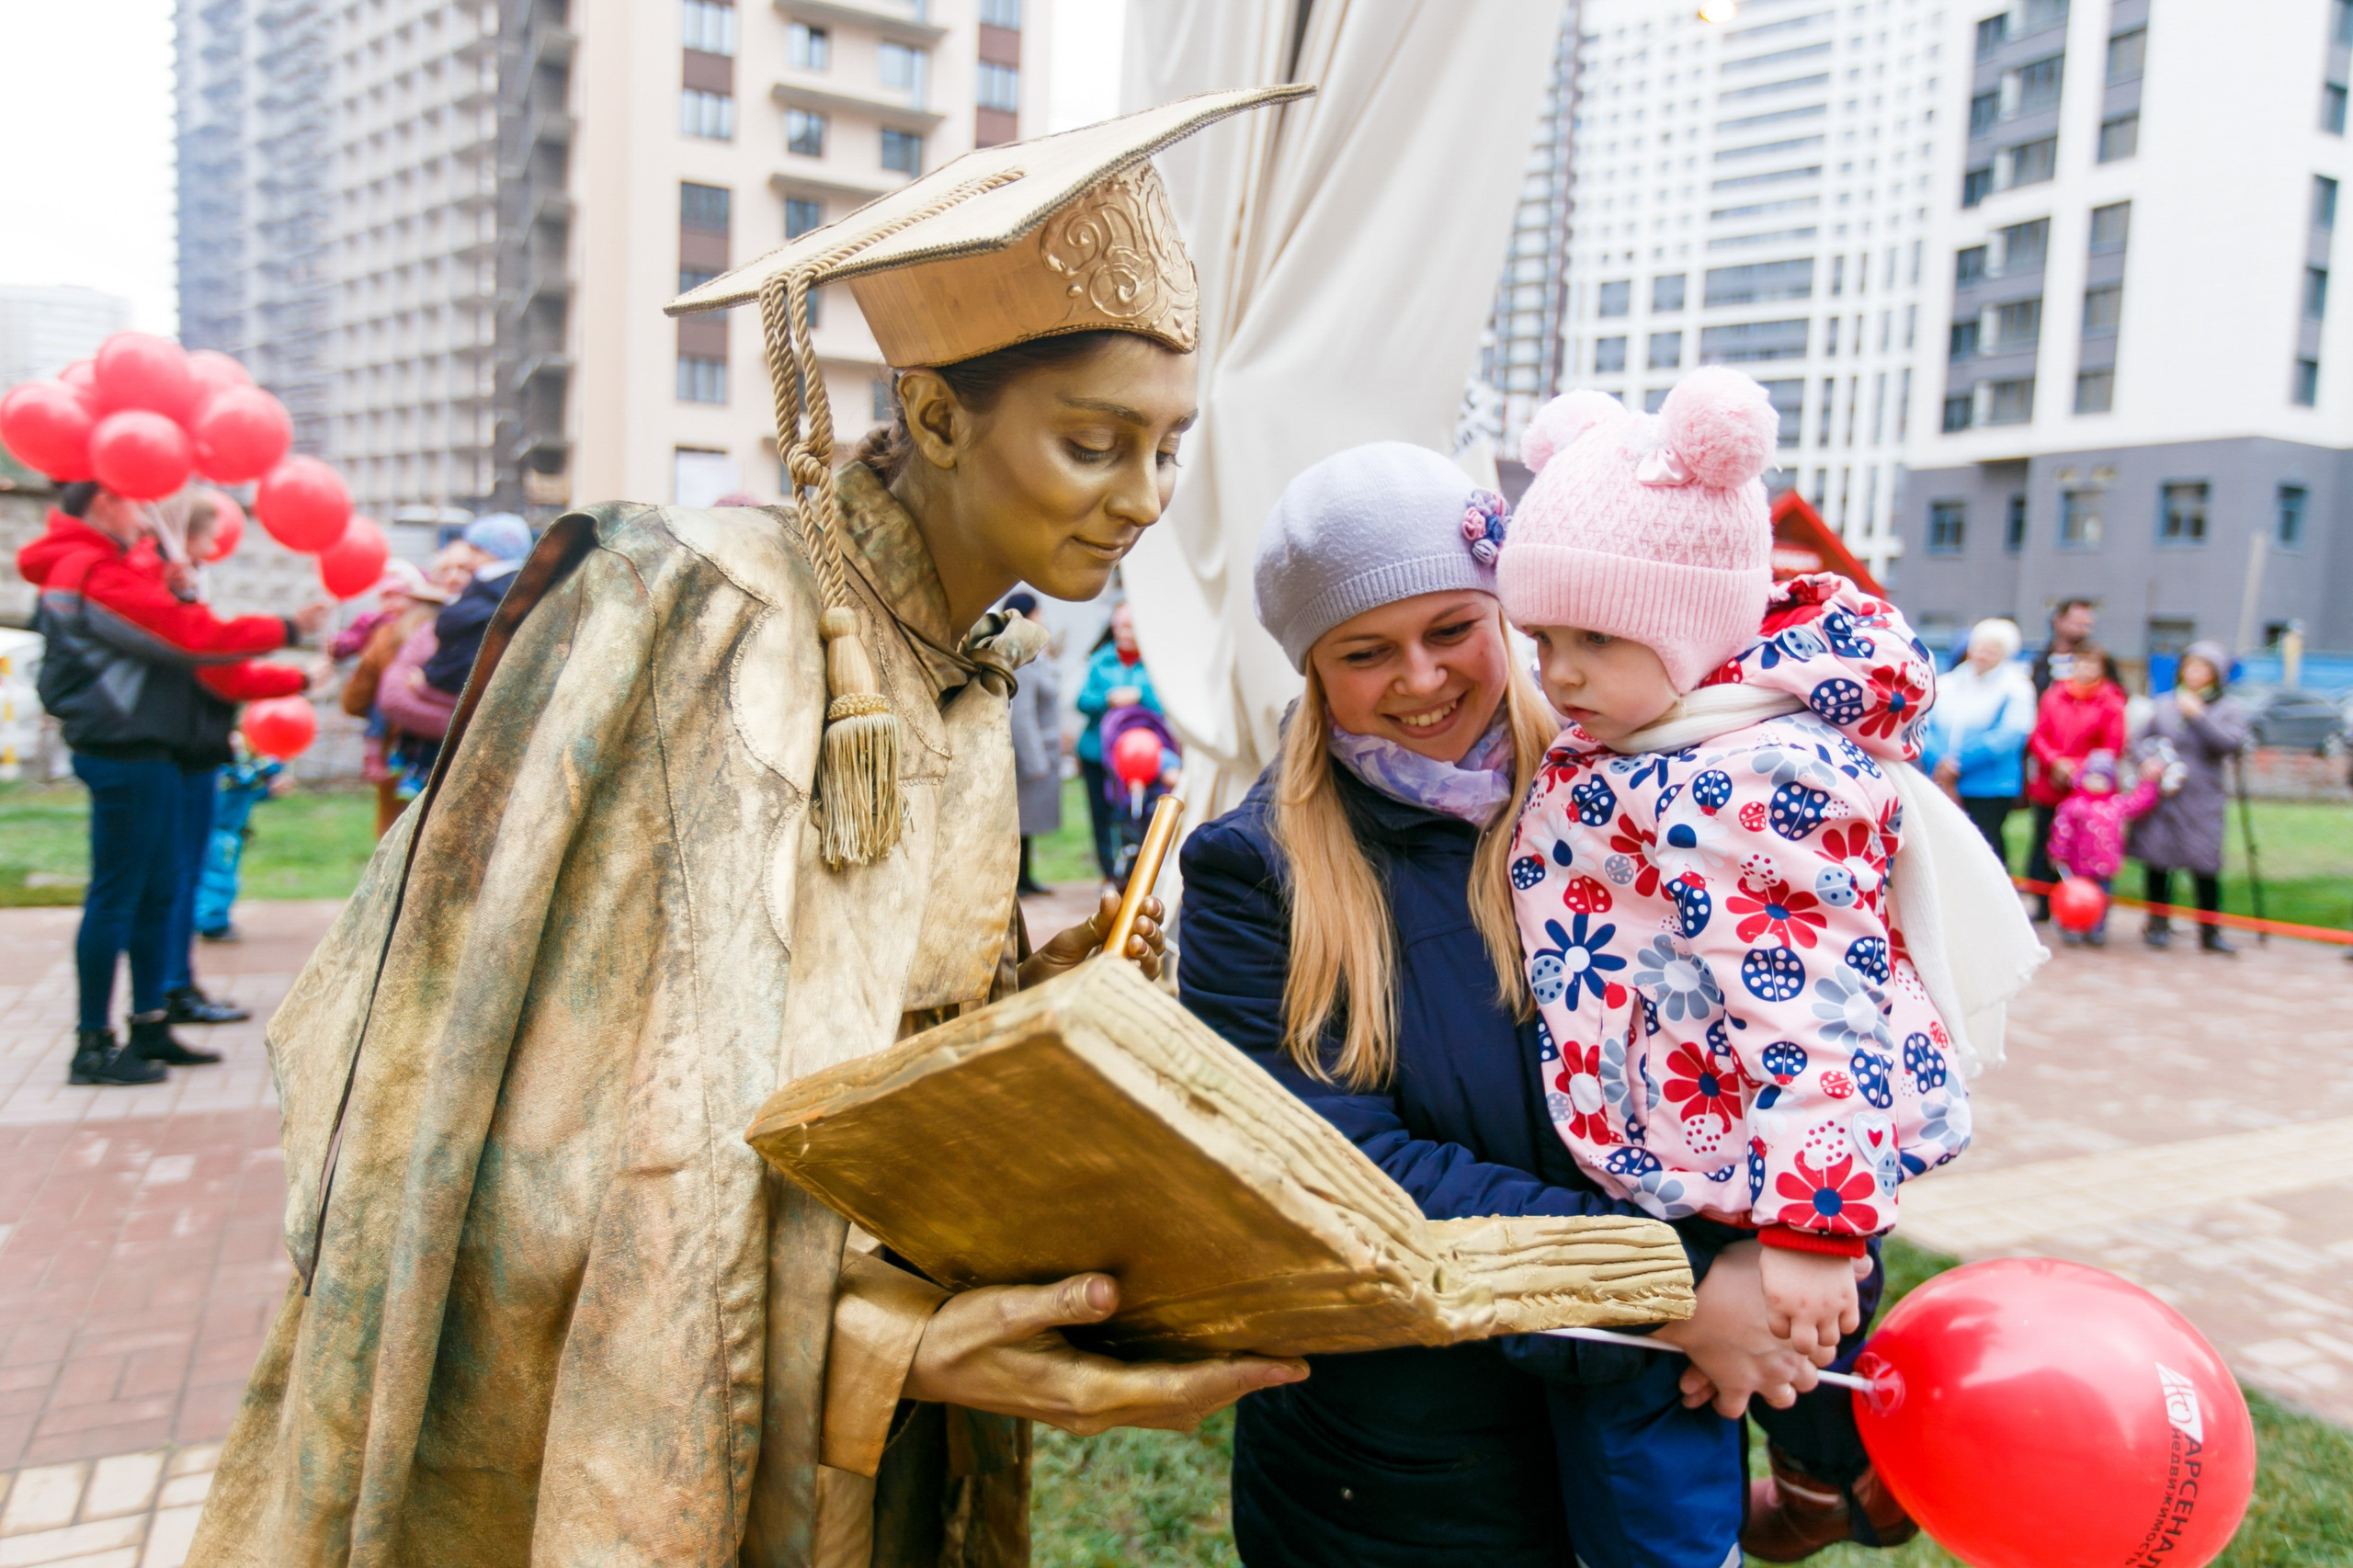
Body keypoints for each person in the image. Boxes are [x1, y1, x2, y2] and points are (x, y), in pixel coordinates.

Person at [188, 89, 1313, 1567]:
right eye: (1098, 442)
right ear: (931, 413)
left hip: (887, 1411)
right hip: (680, 1404)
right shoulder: (695, 618)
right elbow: (549, 1134)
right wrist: (879, 1338)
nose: (1145, 500)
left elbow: (867, 1045)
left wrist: (1039, 1017)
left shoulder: (969, 671)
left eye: (1168, 448)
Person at [1180, 439, 1865, 1568]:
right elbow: (1330, 1166)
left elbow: (1801, 1020)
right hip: (1403, 1477)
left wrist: (1805, 1250)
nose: (1419, 677)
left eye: (1453, 628)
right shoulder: (1255, 872)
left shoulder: (1654, 798)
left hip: (1651, 1430)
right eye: (1363, 650)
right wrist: (1676, 1288)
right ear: (1309, 666)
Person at [1495, 371, 1987, 1560]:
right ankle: (1825, 1488)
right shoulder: (1651, 728)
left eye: (1596, 639)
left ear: (1693, 625)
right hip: (1698, 1120)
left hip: (1758, 1139)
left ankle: (1818, 1492)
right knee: (1754, 1365)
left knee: (1771, 1342)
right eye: (1545, 639)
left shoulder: (1742, 779)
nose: (1557, 674)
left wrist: (1817, 1224)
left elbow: (1814, 1009)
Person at [17, 483, 325, 1086]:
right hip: (125, 748)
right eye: (134, 502)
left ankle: (149, 1023)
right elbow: (184, 638)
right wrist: (287, 627)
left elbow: (166, 624)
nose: (143, 517)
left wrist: (174, 591)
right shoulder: (90, 568)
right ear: (105, 501)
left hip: (146, 748)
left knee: (157, 889)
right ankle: (94, 1044)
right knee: (118, 894)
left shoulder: (104, 565)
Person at [2130, 641, 2250, 953]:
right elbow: (2138, 740)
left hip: (2202, 799)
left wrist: (2199, 716)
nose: (2195, 674)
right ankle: (2157, 923)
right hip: (2165, 797)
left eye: (2204, 668)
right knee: (2158, 860)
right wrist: (2146, 761)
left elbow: (2230, 745)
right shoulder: (2165, 704)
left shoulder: (2228, 709)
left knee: (2204, 864)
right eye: (2190, 666)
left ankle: (2210, 932)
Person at [335, 562, 451, 835]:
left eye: (396, 594)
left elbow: (354, 701)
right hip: (450, 745)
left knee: (394, 834)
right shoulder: (461, 632)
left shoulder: (386, 636)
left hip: (396, 751)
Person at [1917, 618, 2036, 860]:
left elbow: (2009, 735)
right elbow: (1923, 724)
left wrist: (1958, 763)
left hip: (1989, 785)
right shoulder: (1947, 683)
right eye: (1980, 645)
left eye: (1993, 648)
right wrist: (1938, 759)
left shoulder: (2016, 687)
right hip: (1940, 778)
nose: (1983, 653)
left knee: (1986, 844)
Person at [2026, 644, 2127, 920]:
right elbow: (2039, 735)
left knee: (2085, 849)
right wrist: (2056, 762)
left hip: (2089, 788)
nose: (2085, 669)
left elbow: (2112, 745)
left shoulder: (2111, 702)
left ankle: (2087, 912)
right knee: (2046, 842)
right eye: (2080, 663)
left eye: (2092, 664)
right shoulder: (2054, 696)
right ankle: (2045, 904)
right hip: (2052, 782)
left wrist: (2079, 770)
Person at [1074, 600, 1163, 881]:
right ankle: (1109, 874)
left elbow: (1165, 706)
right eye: (1119, 627)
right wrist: (1107, 698)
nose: (1124, 633)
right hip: (1098, 752)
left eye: (1129, 627)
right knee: (1101, 815)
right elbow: (1081, 701)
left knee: (1134, 815)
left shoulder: (1154, 662)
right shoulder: (1100, 660)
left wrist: (1139, 695)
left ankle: (1136, 872)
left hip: (1141, 756)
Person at [2045, 750, 2159, 947]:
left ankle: (2096, 929)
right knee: (2074, 898)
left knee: (2101, 900)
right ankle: (2070, 926)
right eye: (2093, 777)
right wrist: (2057, 853)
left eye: (2103, 778)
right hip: (2077, 866)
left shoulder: (2114, 805)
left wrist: (2148, 783)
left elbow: (2138, 803)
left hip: (2104, 867)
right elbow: (2061, 832)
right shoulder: (2074, 805)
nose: (2097, 783)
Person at [419, 512, 532, 696]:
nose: (468, 558)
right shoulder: (525, 588)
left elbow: (462, 655)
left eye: (473, 550)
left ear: (486, 552)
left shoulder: (490, 589)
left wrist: (429, 678)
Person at [999, 590, 1062, 893]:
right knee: (1019, 820)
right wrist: (1035, 761)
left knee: (1028, 822)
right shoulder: (1021, 658)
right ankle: (1016, 881)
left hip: (1041, 750)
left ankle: (1025, 878)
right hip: (1028, 755)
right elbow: (1021, 717)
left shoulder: (1035, 654)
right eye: (1039, 612)